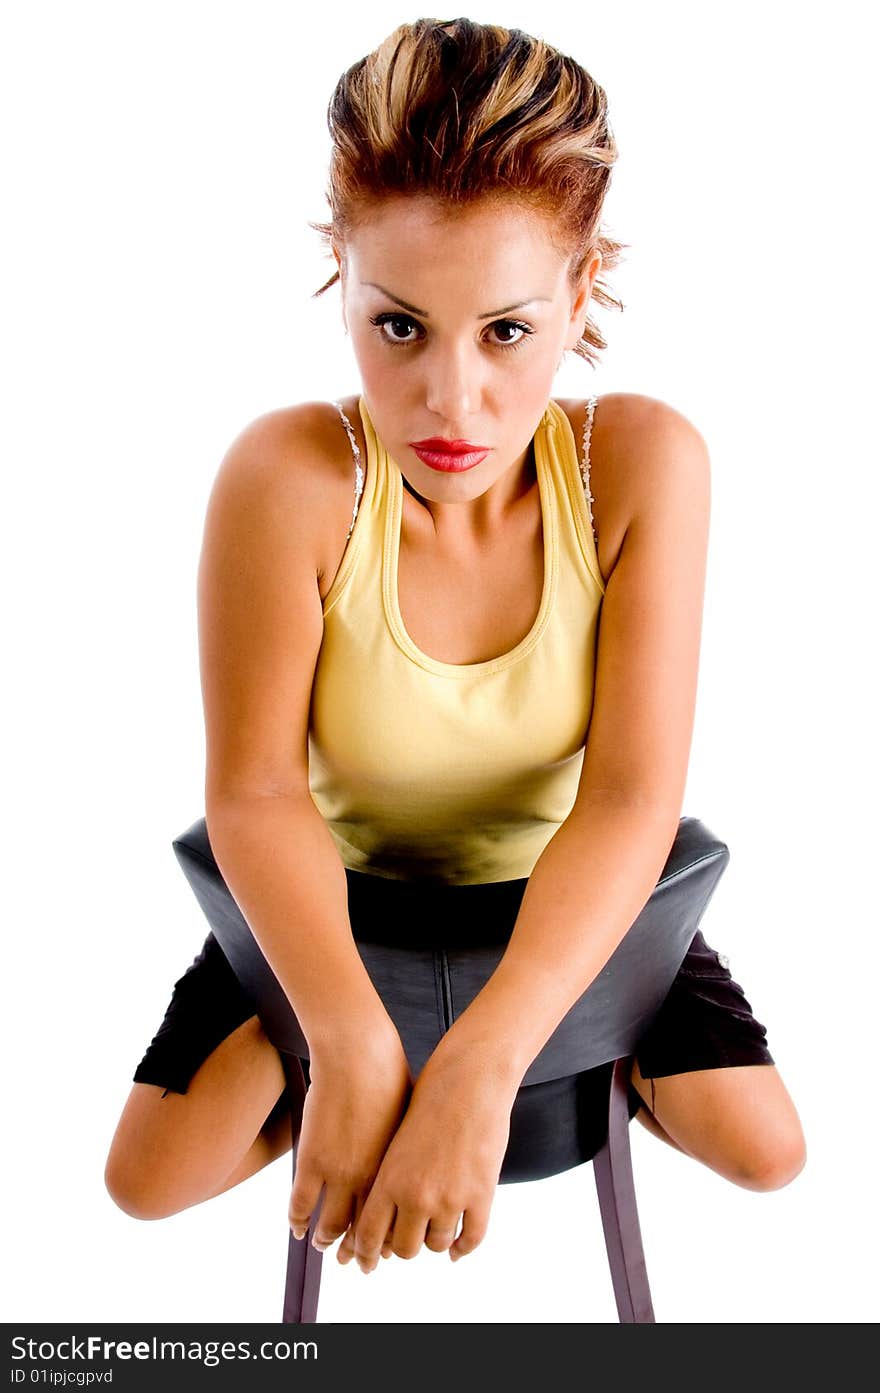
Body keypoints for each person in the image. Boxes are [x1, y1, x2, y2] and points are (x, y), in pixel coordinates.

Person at [104, 16, 806, 1276]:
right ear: (342, 270)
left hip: (560, 893)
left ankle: (552, 1027)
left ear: (580, 292)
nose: (450, 402)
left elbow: (635, 796)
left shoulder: (638, 464)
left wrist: (480, 1069)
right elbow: (256, 791)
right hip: (344, 891)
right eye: (398, 328)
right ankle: (380, 1035)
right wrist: (356, 1041)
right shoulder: (290, 475)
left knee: (764, 1149)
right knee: (149, 1179)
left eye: (506, 332)